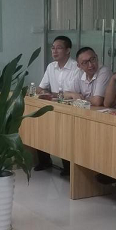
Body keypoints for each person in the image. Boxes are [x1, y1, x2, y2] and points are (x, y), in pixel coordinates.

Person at [34, 36, 80, 175]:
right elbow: (40, 88)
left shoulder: (76, 67)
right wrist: (49, 93)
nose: (54, 51)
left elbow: (75, 94)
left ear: (68, 50)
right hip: (53, 107)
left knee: (65, 137)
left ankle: (68, 168)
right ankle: (45, 161)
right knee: (40, 128)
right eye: (53, 48)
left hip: (71, 109)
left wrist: (55, 94)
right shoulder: (51, 66)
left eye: (59, 48)